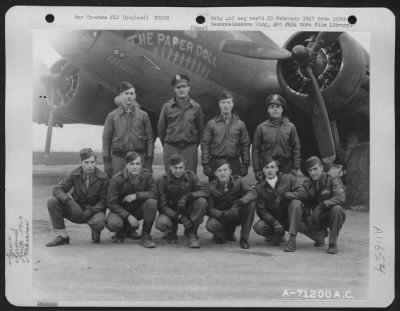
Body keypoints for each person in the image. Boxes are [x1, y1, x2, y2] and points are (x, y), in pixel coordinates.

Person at [237, 156, 304, 252]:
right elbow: (261, 210)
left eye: (272, 167)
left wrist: (286, 195)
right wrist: (275, 222)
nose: (269, 170)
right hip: (274, 220)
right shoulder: (259, 187)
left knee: (296, 203)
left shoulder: (289, 178)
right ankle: (278, 237)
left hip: (291, 218)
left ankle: (292, 239)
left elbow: (302, 193)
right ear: (263, 170)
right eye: (266, 168)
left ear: (277, 168)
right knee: (259, 227)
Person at [46, 148, 108, 246]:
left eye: (92, 162)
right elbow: (57, 189)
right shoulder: (75, 174)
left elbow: (103, 201)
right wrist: (70, 202)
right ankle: (63, 236)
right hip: (77, 210)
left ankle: (95, 230)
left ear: (96, 162)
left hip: (94, 210)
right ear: (81, 163)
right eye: (86, 162)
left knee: (99, 223)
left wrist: (90, 211)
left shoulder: (103, 177)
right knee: (52, 202)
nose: (89, 166)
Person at [294, 156, 346, 254]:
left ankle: (332, 243)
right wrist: (307, 216)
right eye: (310, 170)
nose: (313, 173)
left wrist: (321, 205)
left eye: (315, 169)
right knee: (298, 219)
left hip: (330, 215)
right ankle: (319, 236)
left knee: (337, 209)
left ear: (322, 168)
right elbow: (305, 203)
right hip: (316, 218)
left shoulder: (332, 179)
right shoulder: (307, 184)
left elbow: (341, 197)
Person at [105, 151, 157, 248]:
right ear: (126, 165)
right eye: (131, 164)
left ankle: (145, 235)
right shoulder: (117, 179)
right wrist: (128, 216)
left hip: (138, 210)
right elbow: (111, 203)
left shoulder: (147, 176)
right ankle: (121, 231)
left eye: (138, 164)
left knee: (152, 203)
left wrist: (137, 196)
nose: (135, 167)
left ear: (141, 165)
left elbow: (155, 193)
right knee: (113, 223)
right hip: (120, 212)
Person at [155, 154, 208, 248]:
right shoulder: (162, 180)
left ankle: (192, 232)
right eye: (175, 168)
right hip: (171, 212)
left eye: (181, 168)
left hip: (187, 210)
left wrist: (188, 196)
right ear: (170, 167)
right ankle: (171, 232)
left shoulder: (191, 176)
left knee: (202, 202)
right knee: (161, 223)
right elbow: (162, 206)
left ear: (184, 167)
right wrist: (179, 217)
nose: (178, 171)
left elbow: (204, 192)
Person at [103, 81, 154, 177]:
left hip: (138, 158)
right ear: (121, 96)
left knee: (138, 186)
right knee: (117, 185)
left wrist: (149, 160)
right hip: (119, 158)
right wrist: (107, 161)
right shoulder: (112, 116)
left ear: (135, 96)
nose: (129, 96)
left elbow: (150, 139)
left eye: (131, 93)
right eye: (126, 93)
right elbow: (106, 139)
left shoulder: (143, 115)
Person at [157, 74, 204, 174]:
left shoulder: (196, 107)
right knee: (171, 178)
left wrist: (193, 144)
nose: (181, 90)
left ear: (188, 88)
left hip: (189, 148)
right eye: (178, 87)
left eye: (184, 87)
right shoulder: (167, 107)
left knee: (190, 178)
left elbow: (200, 129)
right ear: (174, 89)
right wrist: (167, 144)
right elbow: (161, 129)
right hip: (171, 147)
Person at [201, 90, 250, 181]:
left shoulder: (240, 125)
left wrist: (245, 164)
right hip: (216, 163)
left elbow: (245, 145)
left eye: (228, 102)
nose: (226, 105)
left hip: (234, 163)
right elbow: (205, 145)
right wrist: (206, 164)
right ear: (219, 104)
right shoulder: (211, 124)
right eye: (223, 102)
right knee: (215, 192)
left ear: (233, 104)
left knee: (235, 191)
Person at [206, 159, 255, 249]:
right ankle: (223, 233)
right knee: (211, 225)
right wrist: (222, 214)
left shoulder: (238, 181)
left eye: (225, 170)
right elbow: (209, 209)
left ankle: (244, 239)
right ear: (215, 173)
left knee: (251, 204)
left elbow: (252, 193)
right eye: (219, 171)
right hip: (222, 217)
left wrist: (238, 204)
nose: (222, 173)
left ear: (230, 171)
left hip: (236, 214)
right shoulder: (211, 187)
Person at [252, 94, 301, 182]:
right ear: (268, 110)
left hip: (285, 166)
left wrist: (295, 167)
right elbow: (256, 150)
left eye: (278, 107)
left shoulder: (290, 127)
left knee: (285, 193)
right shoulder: (261, 127)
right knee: (267, 193)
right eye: (272, 107)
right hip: (268, 166)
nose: (275, 109)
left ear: (282, 109)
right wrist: (257, 169)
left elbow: (296, 148)